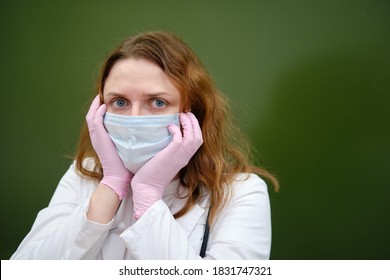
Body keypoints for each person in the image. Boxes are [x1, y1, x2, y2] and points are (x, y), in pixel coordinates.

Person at [11, 31, 279, 260]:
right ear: (99, 110)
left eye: (158, 102)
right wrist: (112, 184)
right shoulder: (84, 174)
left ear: (192, 112)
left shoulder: (241, 192)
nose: (135, 118)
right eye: (120, 102)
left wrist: (148, 194)